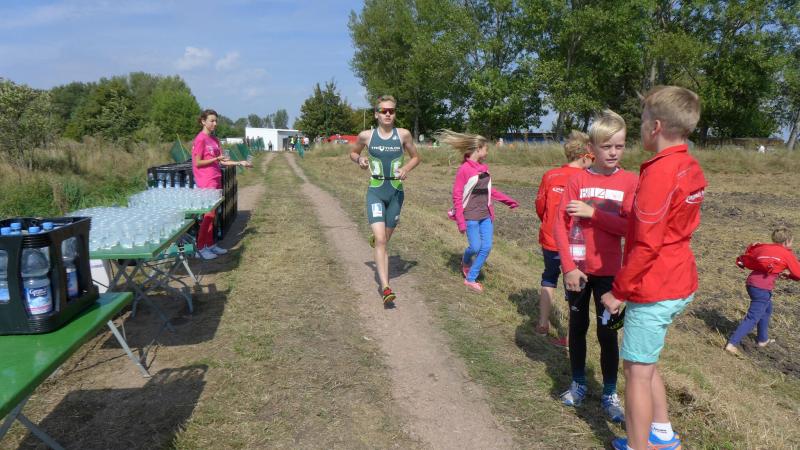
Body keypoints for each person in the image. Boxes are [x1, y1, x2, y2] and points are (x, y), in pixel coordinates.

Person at [601, 86, 707, 450]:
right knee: (645, 362)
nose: (641, 127)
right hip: (679, 278)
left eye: (643, 120)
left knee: (635, 372)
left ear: (656, 126)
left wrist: (619, 291)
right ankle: (661, 433)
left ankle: (638, 445)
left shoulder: (660, 172)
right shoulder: (689, 165)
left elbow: (647, 244)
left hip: (654, 285)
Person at [553, 110, 637, 423]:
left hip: (610, 274)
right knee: (577, 327)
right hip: (578, 271)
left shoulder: (630, 182)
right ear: (591, 148)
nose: (613, 152)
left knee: (608, 334)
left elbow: (632, 229)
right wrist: (568, 267)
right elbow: (559, 225)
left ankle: (610, 393)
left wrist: (594, 215)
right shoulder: (577, 180)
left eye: (620, 146)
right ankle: (578, 383)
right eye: (606, 147)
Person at [349, 95, 421, 305]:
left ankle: (378, 240)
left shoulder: (403, 135)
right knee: (381, 240)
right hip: (376, 191)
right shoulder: (366, 136)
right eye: (384, 111)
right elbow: (353, 153)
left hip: (396, 193)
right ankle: (386, 287)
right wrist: (360, 159)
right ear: (376, 114)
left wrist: (406, 168)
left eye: (391, 111)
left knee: (384, 239)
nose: (388, 114)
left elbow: (416, 157)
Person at [534, 130, 594, 346]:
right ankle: (570, 336)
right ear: (584, 157)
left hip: (550, 239)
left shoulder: (550, 176)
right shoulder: (587, 179)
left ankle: (542, 324)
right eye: (592, 157)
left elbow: (540, 206)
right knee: (574, 286)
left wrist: (548, 222)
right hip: (575, 245)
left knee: (549, 278)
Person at [441, 130, 519, 293]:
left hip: (486, 216)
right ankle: (466, 260)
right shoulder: (464, 170)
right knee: (475, 247)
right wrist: (460, 221)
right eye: (486, 149)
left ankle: (471, 278)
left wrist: (508, 201)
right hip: (470, 216)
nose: (487, 152)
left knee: (486, 247)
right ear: (478, 149)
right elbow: (457, 196)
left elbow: (490, 191)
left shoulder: (484, 169)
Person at [725, 227, 800, 354]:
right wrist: (790, 276)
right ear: (787, 241)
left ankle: (762, 339)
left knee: (767, 309)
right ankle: (732, 343)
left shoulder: (764, 248)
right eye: (792, 241)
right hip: (762, 288)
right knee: (753, 317)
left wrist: (751, 247)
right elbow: (798, 273)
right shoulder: (786, 253)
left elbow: (749, 256)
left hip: (751, 283)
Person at [192, 109, 253, 260]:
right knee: (208, 214)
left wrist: (239, 162)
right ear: (203, 121)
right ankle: (200, 248)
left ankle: (210, 244)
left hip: (216, 178)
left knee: (214, 214)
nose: (215, 123)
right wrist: (215, 159)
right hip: (206, 180)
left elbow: (223, 161)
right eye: (211, 121)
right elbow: (197, 162)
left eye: (216, 121)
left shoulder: (214, 139)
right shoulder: (200, 139)